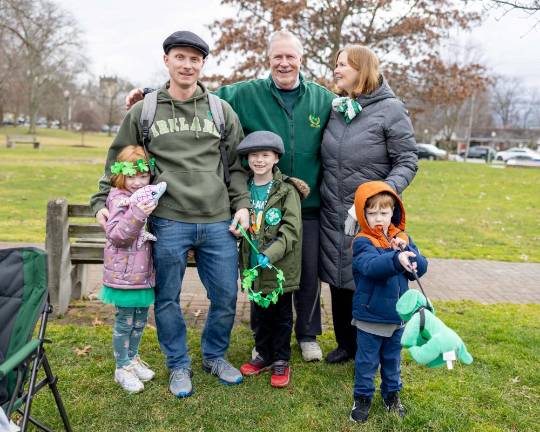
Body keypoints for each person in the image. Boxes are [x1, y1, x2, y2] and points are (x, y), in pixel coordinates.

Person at [125, 30, 335, 362]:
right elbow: (195, 94)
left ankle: (307, 334)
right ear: (269, 60)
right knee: (261, 263)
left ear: (300, 59)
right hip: (261, 197)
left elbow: (349, 110)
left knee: (307, 272)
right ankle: (261, 336)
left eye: (290, 57)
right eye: (277, 57)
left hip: (305, 201)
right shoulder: (245, 93)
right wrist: (150, 93)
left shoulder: (322, 99)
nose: (284, 63)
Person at [90, 30, 251, 398]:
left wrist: (241, 205)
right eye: (180, 57)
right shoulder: (144, 111)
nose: (187, 64)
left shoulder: (220, 110)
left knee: (226, 295)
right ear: (167, 60)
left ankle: (214, 355)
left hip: (216, 220)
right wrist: (101, 201)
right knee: (167, 298)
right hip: (168, 221)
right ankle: (178, 363)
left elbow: (236, 167)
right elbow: (119, 161)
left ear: (202, 64)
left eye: (195, 59)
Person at [319, 44, 418, 365]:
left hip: (370, 214)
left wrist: (378, 198)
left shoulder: (391, 109)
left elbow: (407, 160)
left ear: (362, 69)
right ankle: (345, 344)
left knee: (367, 278)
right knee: (338, 277)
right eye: (335, 64)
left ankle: (370, 347)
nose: (336, 69)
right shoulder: (338, 107)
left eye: (343, 64)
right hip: (333, 209)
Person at [349, 181, 428, 423]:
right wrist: (396, 259)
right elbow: (372, 267)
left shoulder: (401, 238)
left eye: (383, 212)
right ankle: (362, 398)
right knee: (366, 362)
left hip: (397, 318)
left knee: (392, 361)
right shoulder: (362, 242)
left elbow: (421, 268)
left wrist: (408, 249)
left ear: (394, 211)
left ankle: (392, 396)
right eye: (371, 213)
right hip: (370, 317)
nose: (378, 218)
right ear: (363, 215)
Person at [235, 131, 308, 388]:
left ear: (276, 158)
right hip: (254, 268)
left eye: (265, 155)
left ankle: (281, 359)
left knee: (281, 315)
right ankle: (263, 354)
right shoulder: (242, 189)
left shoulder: (287, 191)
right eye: (254, 155)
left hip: (280, 267)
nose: (259, 160)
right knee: (259, 313)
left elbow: (291, 231)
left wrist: (270, 254)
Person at [99, 145, 157, 394]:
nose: (137, 182)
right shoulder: (119, 199)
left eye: (143, 176)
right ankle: (121, 368)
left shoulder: (146, 196)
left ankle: (132, 359)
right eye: (132, 176)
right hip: (123, 274)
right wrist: (138, 213)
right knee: (125, 321)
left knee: (140, 320)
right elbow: (116, 235)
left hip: (142, 273)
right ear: (121, 175)